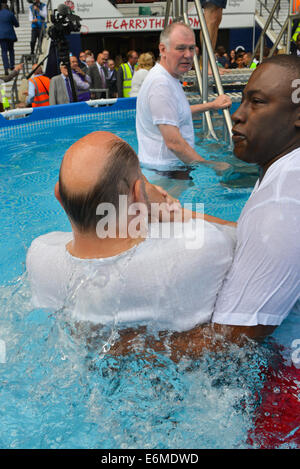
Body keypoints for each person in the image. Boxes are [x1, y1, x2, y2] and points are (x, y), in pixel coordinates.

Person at [26, 130, 236, 331]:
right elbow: (243, 235)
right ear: (137, 194)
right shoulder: (199, 248)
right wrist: (169, 211)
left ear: (59, 197)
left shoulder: (38, 255)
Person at [170, 54, 300, 358]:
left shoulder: (280, 206)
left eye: (257, 102)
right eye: (243, 100)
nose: (238, 115)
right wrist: (181, 216)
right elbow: (253, 234)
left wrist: (122, 344)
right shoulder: (285, 172)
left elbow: (227, 344)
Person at [136, 22, 231, 170]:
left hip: (168, 169)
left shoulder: (168, 78)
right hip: (166, 173)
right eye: (180, 48)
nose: (188, 55)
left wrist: (212, 105)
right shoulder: (160, 84)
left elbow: (176, 113)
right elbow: (174, 143)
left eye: (191, 48)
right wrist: (212, 166)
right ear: (163, 49)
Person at [0, 0, 19, 75]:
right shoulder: (10, 14)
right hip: (10, 35)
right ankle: (12, 66)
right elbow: (17, 25)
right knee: (11, 50)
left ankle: (6, 68)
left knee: (4, 51)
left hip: (1, 36)